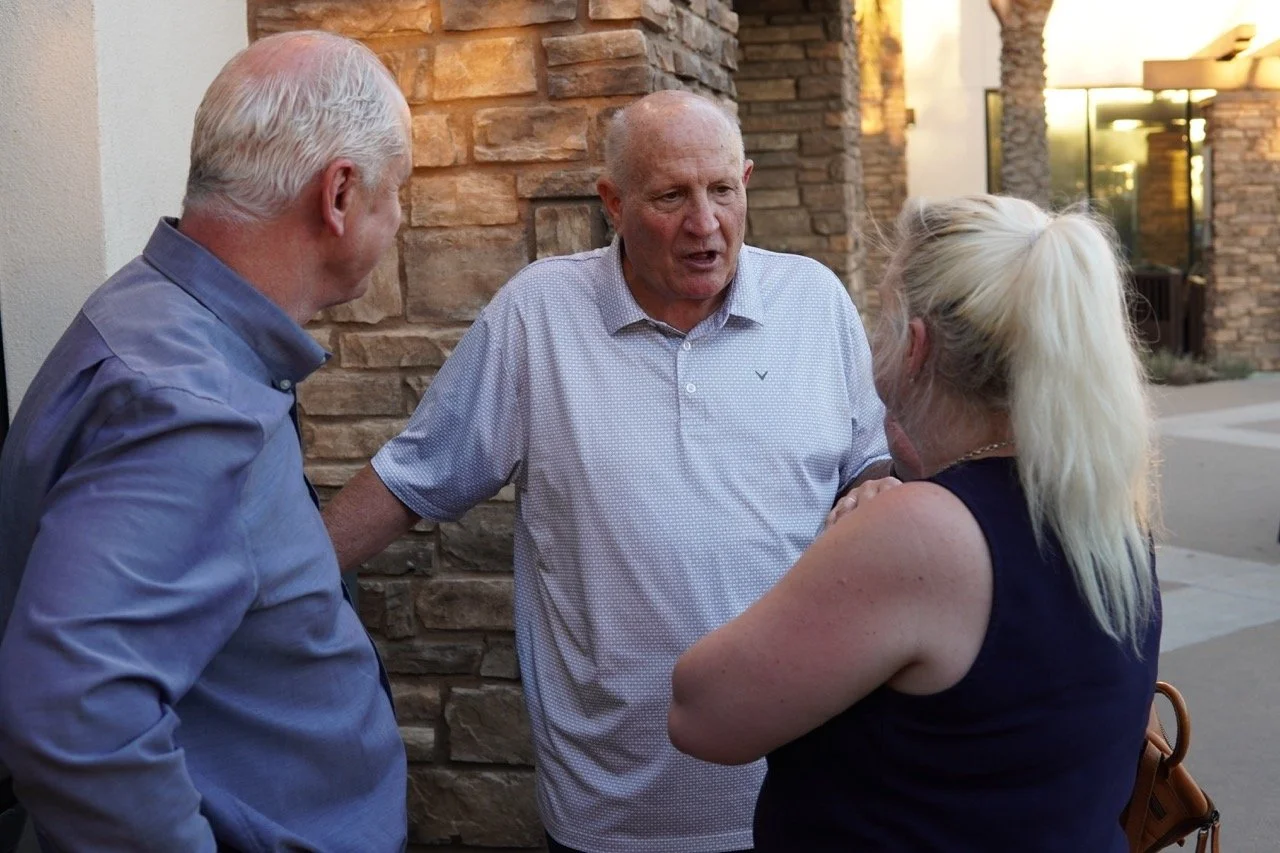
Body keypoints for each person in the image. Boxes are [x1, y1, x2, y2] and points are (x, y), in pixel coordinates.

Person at [322, 90, 892, 853]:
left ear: (745, 181)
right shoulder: (539, 315)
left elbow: (868, 458)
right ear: (613, 202)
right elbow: (410, 477)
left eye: (723, 189)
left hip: (796, 789)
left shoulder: (815, 303)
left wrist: (873, 485)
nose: (705, 223)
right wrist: (260, 588)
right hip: (611, 810)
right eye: (670, 196)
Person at [0, 31, 413, 852]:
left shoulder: (158, 319)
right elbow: (72, 721)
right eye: (397, 192)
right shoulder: (187, 401)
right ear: (339, 195)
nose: (400, 217)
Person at [669, 194, 1163, 852]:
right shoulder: (1108, 509)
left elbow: (700, 714)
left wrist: (845, 542)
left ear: (916, 347)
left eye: (881, 316)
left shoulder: (923, 530)